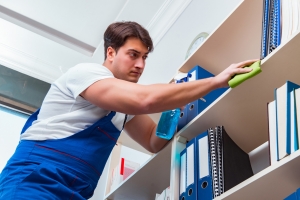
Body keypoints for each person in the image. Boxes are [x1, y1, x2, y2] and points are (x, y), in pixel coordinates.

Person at [0, 21, 258, 199]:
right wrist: (216, 81)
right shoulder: (86, 74)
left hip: (74, 192)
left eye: (144, 57)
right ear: (111, 52)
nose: (140, 64)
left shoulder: (123, 110)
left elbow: (152, 141)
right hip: (33, 181)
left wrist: (172, 111)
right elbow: (144, 100)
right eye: (133, 55)